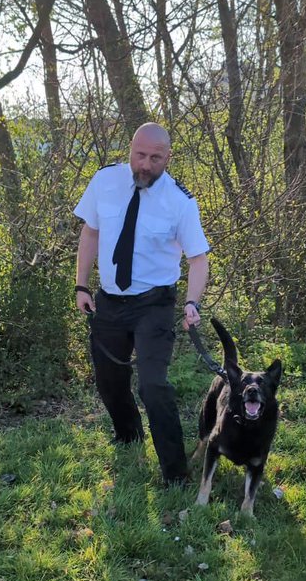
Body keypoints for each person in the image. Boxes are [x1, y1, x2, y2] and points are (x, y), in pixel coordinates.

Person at [73, 123, 209, 486]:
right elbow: (90, 232)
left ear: (168, 158)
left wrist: (193, 302)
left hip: (155, 304)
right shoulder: (104, 182)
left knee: (153, 385)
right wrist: (81, 285)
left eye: (155, 158)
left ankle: (175, 473)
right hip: (109, 303)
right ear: (130, 148)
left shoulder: (180, 202)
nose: (145, 165)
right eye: (140, 155)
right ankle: (129, 435)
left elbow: (198, 259)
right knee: (109, 380)